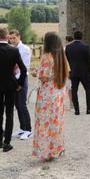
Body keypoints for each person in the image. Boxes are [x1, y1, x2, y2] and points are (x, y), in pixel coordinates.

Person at [32, 32, 70, 162]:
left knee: (45, 123)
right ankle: (57, 149)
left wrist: (36, 73)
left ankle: (46, 152)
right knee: (56, 122)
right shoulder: (62, 56)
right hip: (59, 92)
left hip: (47, 94)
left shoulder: (46, 56)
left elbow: (43, 76)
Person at [0, 27, 27, 152]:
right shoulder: (14, 51)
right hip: (11, 85)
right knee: (9, 113)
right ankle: (7, 143)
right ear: (7, 36)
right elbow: (24, 69)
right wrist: (19, 83)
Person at [65, 30, 90, 115]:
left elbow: (67, 60)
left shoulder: (68, 47)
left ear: (74, 37)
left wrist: (69, 71)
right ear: (81, 37)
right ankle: (89, 109)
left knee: (74, 91)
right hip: (85, 72)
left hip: (73, 72)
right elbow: (89, 60)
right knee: (88, 90)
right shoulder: (85, 47)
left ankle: (77, 110)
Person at [9, 29, 33, 140]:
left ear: (19, 37)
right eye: (11, 38)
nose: (12, 40)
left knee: (22, 105)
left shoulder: (25, 49)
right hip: (13, 80)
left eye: (14, 38)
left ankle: (28, 129)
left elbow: (25, 67)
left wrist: (19, 82)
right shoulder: (12, 49)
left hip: (21, 79)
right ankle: (22, 128)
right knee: (17, 105)